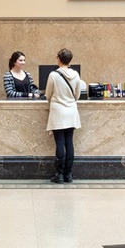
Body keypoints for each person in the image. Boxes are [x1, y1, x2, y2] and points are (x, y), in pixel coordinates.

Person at [45, 49, 86, 183]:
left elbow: (48, 95)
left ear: (58, 59)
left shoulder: (53, 75)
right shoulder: (75, 74)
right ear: (70, 60)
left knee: (60, 143)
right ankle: (68, 174)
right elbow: (77, 95)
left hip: (58, 111)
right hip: (71, 111)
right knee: (69, 142)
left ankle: (59, 175)